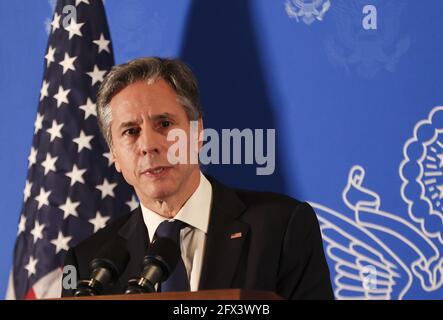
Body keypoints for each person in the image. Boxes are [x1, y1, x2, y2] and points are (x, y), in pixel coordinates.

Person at [62, 57, 334, 299]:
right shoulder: (87, 262)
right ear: (114, 155)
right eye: (131, 131)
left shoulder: (283, 227)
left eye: (165, 124)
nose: (148, 145)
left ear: (198, 131)